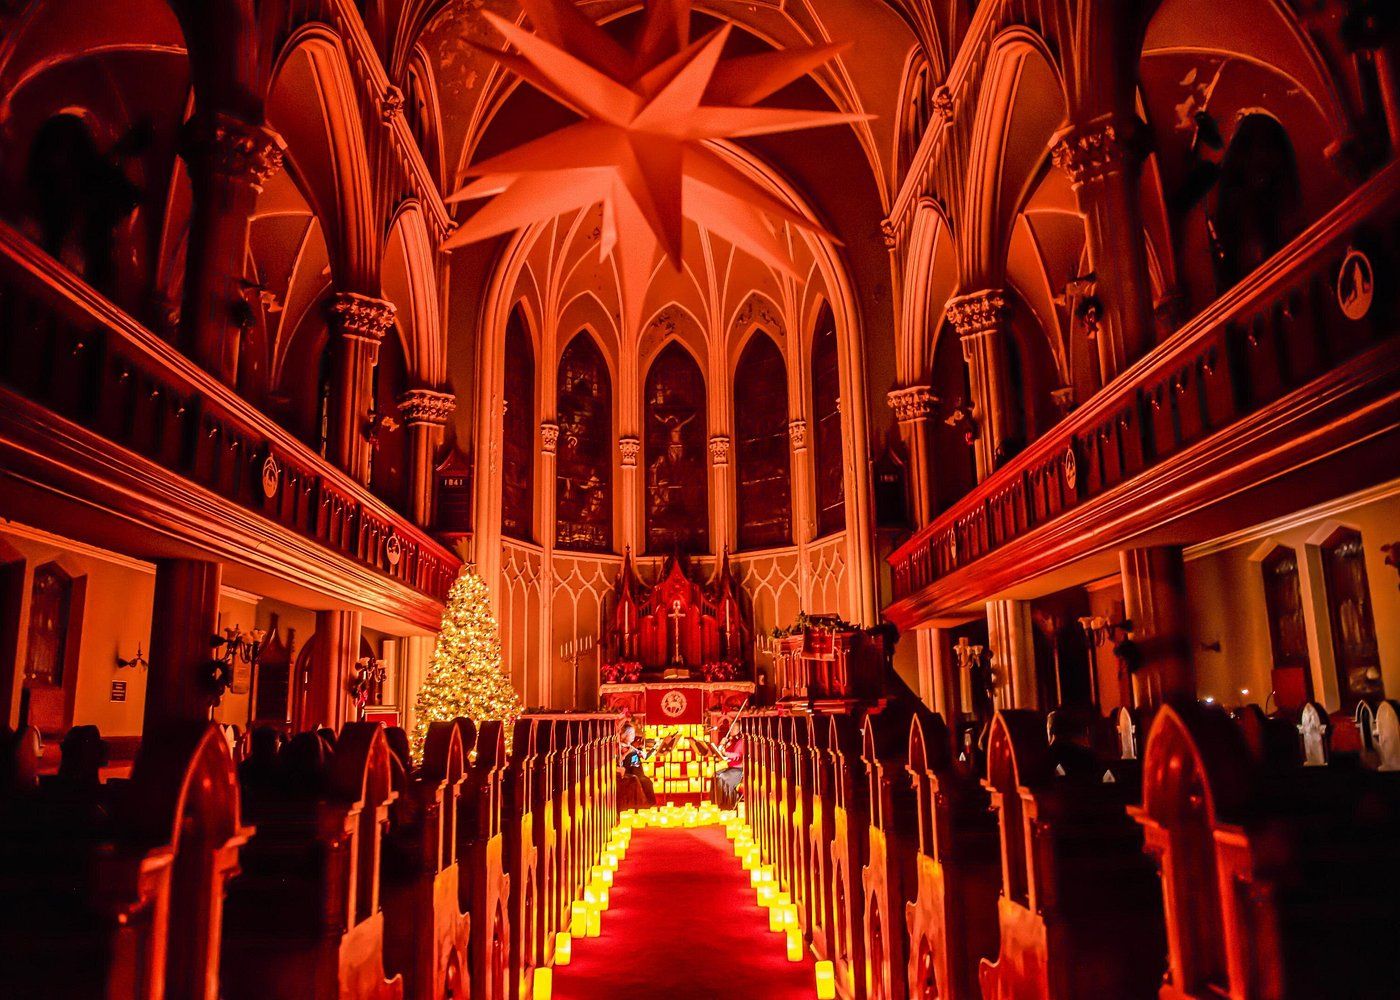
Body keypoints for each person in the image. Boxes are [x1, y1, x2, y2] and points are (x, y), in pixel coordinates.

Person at [617, 722, 656, 809]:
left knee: (647, 782)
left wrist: (643, 751)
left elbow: (644, 756)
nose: (634, 736)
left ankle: (650, 805)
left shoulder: (630, 746)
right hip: (630, 771)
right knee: (644, 782)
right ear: (625, 735)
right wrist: (628, 752)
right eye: (632, 734)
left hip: (637, 770)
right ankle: (645, 805)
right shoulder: (621, 746)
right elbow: (620, 760)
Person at [711, 722, 744, 809]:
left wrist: (725, 753)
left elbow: (736, 756)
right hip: (731, 768)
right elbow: (720, 752)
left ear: (740, 729)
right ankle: (715, 803)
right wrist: (722, 744)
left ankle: (726, 804)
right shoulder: (731, 741)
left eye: (734, 727)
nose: (731, 729)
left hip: (739, 770)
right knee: (715, 775)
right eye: (730, 727)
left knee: (722, 777)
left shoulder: (742, 741)